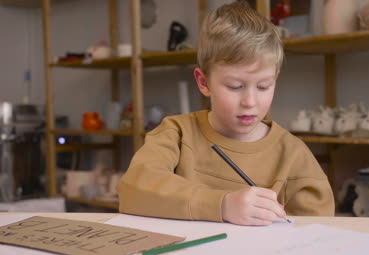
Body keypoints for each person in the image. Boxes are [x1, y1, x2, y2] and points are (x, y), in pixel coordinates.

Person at [117, 1, 334, 226]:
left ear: (275, 79)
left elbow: (319, 236)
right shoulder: (177, 134)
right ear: (204, 82)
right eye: (234, 86)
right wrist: (222, 205)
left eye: (263, 86)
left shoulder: (294, 156)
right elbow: (133, 189)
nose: (249, 102)